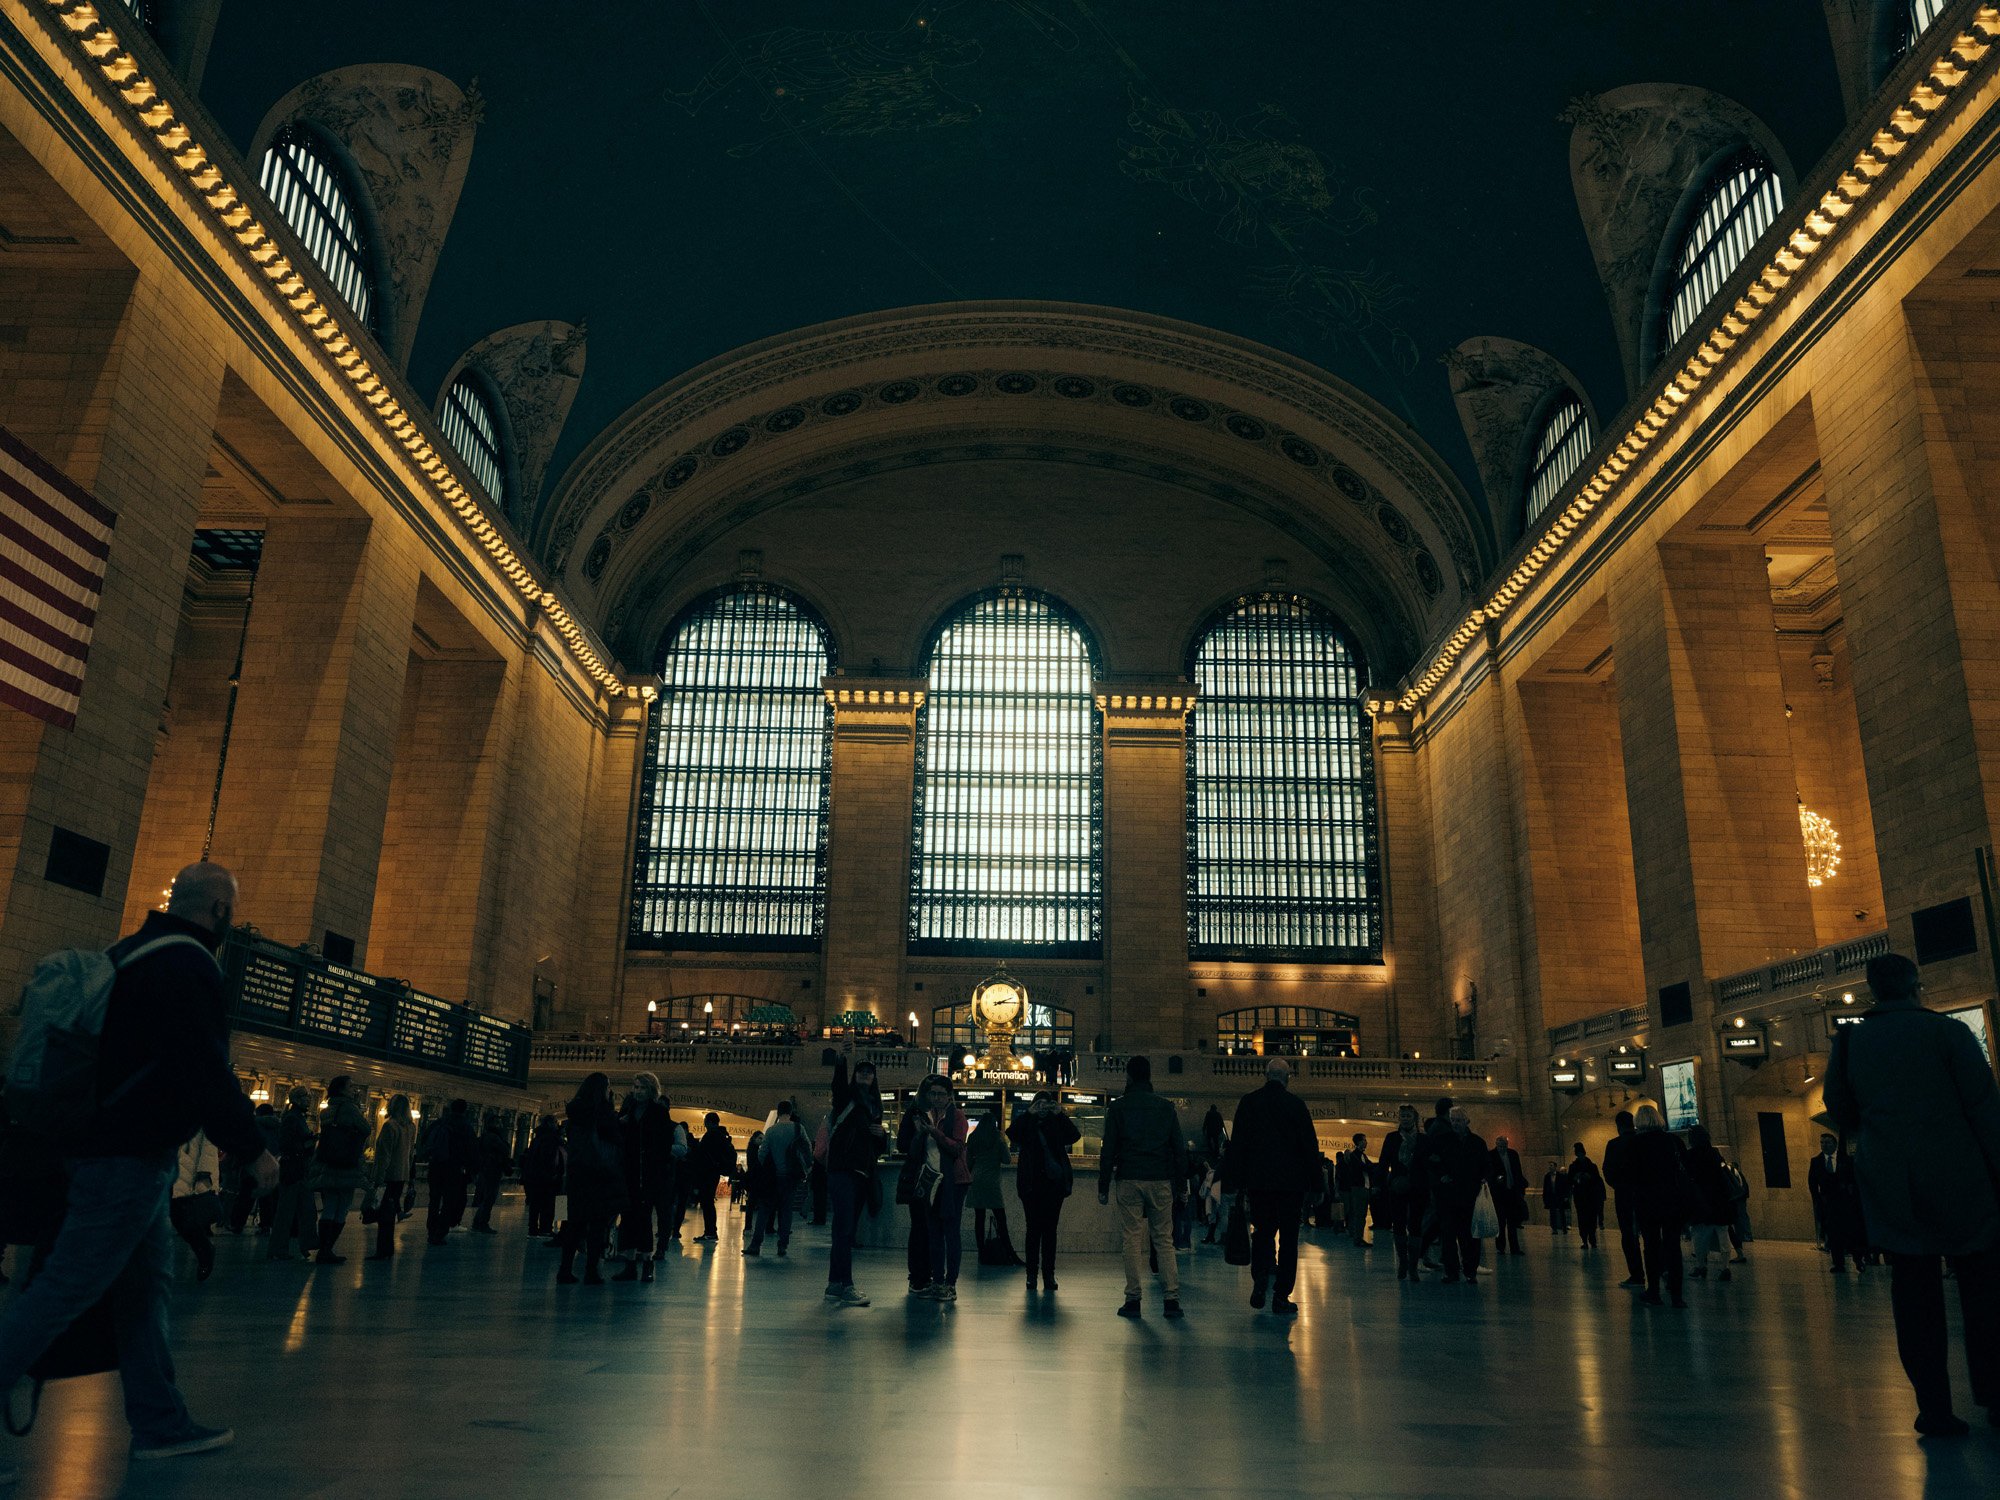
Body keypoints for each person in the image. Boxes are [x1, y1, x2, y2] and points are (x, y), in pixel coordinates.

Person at [0, 860, 277, 1464]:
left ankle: (160, 1421)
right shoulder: (188, 964)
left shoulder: (135, 949)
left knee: (144, 1290)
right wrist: (252, 1149)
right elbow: (203, 1068)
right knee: (64, 1288)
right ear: (220, 911)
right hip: (123, 1160)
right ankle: (159, 1421)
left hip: (123, 1155)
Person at [1823, 952, 2000, 1437]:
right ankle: (1995, 1393)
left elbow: (1839, 1107)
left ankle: (1935, 1408)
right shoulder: (1948, 1033)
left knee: (1915, 1295)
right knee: (1983, 1289)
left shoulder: (1852, 1040)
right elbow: (1984, 1107)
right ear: (1916, 985)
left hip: (1891, 1183)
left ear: (1872, 990)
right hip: (1960, 1176)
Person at [1222, 1057, 1317, 1315]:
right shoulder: (1296, 1105)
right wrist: (1317, 1185)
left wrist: (1234, 1182)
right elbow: (1310, 1147)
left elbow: (1238, 1145)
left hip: (1259, 1182)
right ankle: (1281, 1296)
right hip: (1290, 1185)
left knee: (1262, 1232)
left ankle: (1260, 1279)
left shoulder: (1249, 1102)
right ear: (1287, 1078)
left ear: (1265, 1075)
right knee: (1288, 1238)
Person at [1099, 1055, 1187, 1319]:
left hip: (1129, 1178)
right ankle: (1171, 1299)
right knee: (1164, 1240)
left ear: (1129, 1076)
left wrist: (1103, 1186)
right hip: (1160, 1179)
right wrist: (1181, 1185)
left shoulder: (1118, 1108)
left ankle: (1133, 1299)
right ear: (1149, 1076)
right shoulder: (1165, 1107)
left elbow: (1109, 1149)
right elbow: (1178, 1150)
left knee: (1132, 1239)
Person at [823, 1052, 887, 1309]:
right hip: (843, 1170)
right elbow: (838, 1085)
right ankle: (846, 1285)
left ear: (874, 1078)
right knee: (844, 1230)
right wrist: (842, 1058)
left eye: (869, 1072)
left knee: (844, 1230)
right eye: (861, 1071)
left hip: (862, 1173)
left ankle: (834, 1285)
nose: (865, 1075)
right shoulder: (846, 1098)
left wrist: (881, 1134)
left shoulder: (874, 1106)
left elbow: (877, 1148)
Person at [558, 1073, 625, 1285]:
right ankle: (591, 1270)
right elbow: (616, 1140)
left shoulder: (575, 1111)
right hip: (599, 1175)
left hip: (577, 1174)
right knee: (597, 1225)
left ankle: (565, 1269)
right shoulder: (603, 1113)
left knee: (573, 1223)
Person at [1009, 1091, 1080, 1292]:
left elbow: (1075, 1135)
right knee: (1033, 1229)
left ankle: (1048, 1274)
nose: (1042, 1108)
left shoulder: (1056, 1122)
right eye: (1038, 1104)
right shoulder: (1028, 1123)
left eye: (1045, 1104)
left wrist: (1060, 1114)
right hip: (1030, 1185)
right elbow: (1011, 1133)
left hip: (1053, 1186)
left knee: (1049, 1231)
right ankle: (1032, 1275)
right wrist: (1028, 1113)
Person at [909, 1077, 971, 1301]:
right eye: (932, 1093)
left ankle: (950, 1283)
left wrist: (934, 1133)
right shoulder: (926, 1116)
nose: (935, 1098)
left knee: (950, 1233)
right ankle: (937, 1281)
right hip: (930, 1179)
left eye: (940, 1094)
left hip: (953, 1181)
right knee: (933, 1233)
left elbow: (957, 1148)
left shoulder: (957, 1117)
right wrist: (920, 1133)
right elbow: (917, 1150)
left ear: (949, 1095)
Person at [1626, 1104, 1689, 1308]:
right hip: (1673, 1201)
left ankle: (1654, 1291)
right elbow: (1686, 1169)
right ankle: (1677, 1295)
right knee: (1673, 1247)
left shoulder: (1635, 1144)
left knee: (1651, 1247)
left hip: (1647, 1202)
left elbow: (1630, 1176)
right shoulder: (1673, 1141)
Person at [615, 1075, 674, 1275]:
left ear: (651, 1090)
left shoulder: (658, 1112)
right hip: (631, 1172)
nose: (638, 1091)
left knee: (644, 1217)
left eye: (642, 1088)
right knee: (629, 1217)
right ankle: (630, 1263)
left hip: (650, 1174)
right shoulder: (630, 1110)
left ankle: (647, 1260)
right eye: (635, 1087)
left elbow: (665, 1145)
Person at [308, 1076, 369, 1266]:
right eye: (350, 1086)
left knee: (330, 1204)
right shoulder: (350, 1108)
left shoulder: (328, 1110)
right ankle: (328, 1249)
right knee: (342, 1205)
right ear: (342, 1089)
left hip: (327, 1161)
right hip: (346, 1162)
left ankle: (323, 1248)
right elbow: (365, 1128)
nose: (353, 1089)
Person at [1424, 1106, 1489, 1285]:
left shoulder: (1477, 1143)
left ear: (1466, 1121)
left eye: (1458, 1120)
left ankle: (1470, 1270)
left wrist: (1482, 1179)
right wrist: (1441, 1175)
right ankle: (1451, 1271)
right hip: (1448, 1196)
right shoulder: (1443, 1140)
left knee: (1469, 1237)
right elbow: (1431, 1160)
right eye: (1453, 1120)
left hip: (1469, 1196)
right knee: (1448, 1236)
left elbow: (1485, 1165)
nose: (1455, 1124)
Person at [746, 1099, 809, 1258]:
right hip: (790, 1178)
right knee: (786, 1210)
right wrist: (806, 1167)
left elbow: (762, 1154)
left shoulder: (771, 1131)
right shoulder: (798, 1128)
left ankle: (755, 1244)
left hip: (773, 1177)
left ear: (778, 1112)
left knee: (764, 1210)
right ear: (791, 1112)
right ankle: (782, 1245)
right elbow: (807, 1149)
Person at [265, 1087, 318, 1261]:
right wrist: (307, 1144)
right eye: (305, 1097)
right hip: (294, 1168)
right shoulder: (292, 1118)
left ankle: (305, 1245)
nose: (308, 1100)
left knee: (304, 1208)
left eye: (308, 1096)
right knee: (287, 1211)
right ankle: (279, 1248)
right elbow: (287, 1143)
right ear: (295, 1099)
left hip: (298, 1167)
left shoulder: (296, 1117)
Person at [967, 1103, 1021, 1266]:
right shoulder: (998, 1138)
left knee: (979, 1218)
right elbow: (1007, 1160)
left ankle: (982, 1254)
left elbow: (968, 1161)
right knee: (1001, 1218)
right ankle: (1010, 1252)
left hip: (976, 1179)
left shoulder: (973, 1137)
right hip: (992, 1182)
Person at [1682, 1123, 1736, 1283]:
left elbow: (1688, 1177)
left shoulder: (1690, 1155)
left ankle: (1701, 1266)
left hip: (1701, 1201)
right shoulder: (1714, 1153)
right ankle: (1725, 1267)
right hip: (1720, 1200)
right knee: (1723, 1234)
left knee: (1699, 1236)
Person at [1379, 1105, 1427, 1280]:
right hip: (1397, 1186)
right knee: (1398, 1224)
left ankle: (1413, 1266)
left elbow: (1427, 1163)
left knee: (1415, 1226)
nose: (1405, 1119)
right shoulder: (1392, 1138)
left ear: (1414, 1118)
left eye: (1408, 1116)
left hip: (1418, 1187)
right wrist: (1381, 1184)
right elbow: (1384, 1161)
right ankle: (1403, 1262)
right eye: (1402, 1116)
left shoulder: (1423, 1139)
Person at [1808, 1133, 1868, 1273]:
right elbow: (1812, 1182)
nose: (1824, 1145)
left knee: (1852, 1232)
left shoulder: (1846, 1160)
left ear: (1834, 1144)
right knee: (1834, 1234)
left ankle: (1858, 1259)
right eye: (1822, 1142)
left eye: (1827, 1142)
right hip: (1828, 1204)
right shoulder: (1816, 1162)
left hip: (1846, 1202)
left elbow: (1855, 1179)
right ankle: (1839, 1263)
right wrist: (1817, 1200)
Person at [365, 1095, 416, 1261]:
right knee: (389, 1213)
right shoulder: (410, 1126)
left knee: (383, 1215)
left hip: (388, 1176)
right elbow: (410, 1154)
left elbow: (384, 1156)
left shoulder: (390, 1126)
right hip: (401, 1175)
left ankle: (383, 1250)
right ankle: (388, 1249)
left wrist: (378, 1178)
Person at [1601, 1110, 1646, 1288]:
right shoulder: (1643, 1142)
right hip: (1645, 1195)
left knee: (1628, 1236)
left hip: (1624, 1196)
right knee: (1651, 1235)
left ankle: (1637, 1274)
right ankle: (1659, 1269)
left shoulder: (1614, 1145)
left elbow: (1608, 1171)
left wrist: (1619, 1186)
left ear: (1618, 1126)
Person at [424, 1100, 477, 1247]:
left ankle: (431, 1230)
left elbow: (426, 1140)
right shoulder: (465, 1127)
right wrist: (471, 1170)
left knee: (434, 1200)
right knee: (449, 1202)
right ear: (465, 1110)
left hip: (435, 1167)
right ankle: (440, 1232)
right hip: (454, 1169)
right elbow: (471, 1150)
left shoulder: (439, 1123)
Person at [168, 1132, 219, 1283]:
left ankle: (204, 1250)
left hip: (188, 1164)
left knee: (181, 1216)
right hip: (167, 1160)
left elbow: (209, 1141)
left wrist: (205, 1170)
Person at [518, 1114, 564, 1241]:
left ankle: (533, 1228)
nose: (557, 1124)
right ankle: (545, 1229)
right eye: (555, 1122)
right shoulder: (552, 1139)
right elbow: (551, 1159)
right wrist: (554, 1174)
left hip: (534, 1176)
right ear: (550, 1124)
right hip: (548, 1178)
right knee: (548, 1204)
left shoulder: (537, 1138)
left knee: (535, 1204)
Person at [693, 1113, 733, 1243]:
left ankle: (710, 1232)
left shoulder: (711, 1135)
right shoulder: (721, 1135)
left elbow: (701, 1154)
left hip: (708, 1173)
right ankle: (710, 1231)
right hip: (715, 1172)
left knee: (707, 1202)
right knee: (708, 1201)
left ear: (709, 1122)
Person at [468, 1117, 511, 1234]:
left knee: (485, 1198)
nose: (501, 1124)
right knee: (489, 1198)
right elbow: (505, 1150)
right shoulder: (495, 1138)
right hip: (492, 1170)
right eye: (499, 1122)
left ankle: (478, 1222)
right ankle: (482, 1223)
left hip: (484, 1169)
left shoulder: (483, 1137)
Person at [1486, 1133, 1527, 1255]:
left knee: (1512, 1222)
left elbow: (1518, 1172)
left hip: (1512, 1192)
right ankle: (1500, 1247)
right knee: (1500, 1222)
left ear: (1507, 1145)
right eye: (1500, 1146)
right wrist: (1495, 1180)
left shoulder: (1513, 1154)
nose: (1502, 1149)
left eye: (1503, 1146)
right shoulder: (1491, 1155)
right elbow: (1489, 1173)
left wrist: (1520, 1189)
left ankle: (1514, 1248)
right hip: (1499, 1194)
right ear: (1496, 1145)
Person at [1336, 1133, 1373, 1247]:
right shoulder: (1356, 1155)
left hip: (1363, 1187)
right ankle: (1357, 1238)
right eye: (1364, 1140)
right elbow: (1364, 1167)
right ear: (1359, 1142)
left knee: (1360, 1213)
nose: (1366, 1142)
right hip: (1359, 1188)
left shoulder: (1361, 1155)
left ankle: (1358, 1237)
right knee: (1359, 1213)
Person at [1567, 1144, 1605, 1250]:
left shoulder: (1576, 1167)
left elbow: (1597, 1180)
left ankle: (1588, 1239)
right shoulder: (1591, 1166)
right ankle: (1588, 1239)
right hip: (1586, 1196)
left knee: (1586, 1219)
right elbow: (1569, 1181)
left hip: (1585, 1196)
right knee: (1586, 1219)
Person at [1542, 1159, 1571, 1236]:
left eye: (1551, 1166)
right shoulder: (1547, 1176)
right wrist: (1545, 1198)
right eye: (1549, 1166)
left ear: (1555, 1167)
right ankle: (1554, 1228)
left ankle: (1564, 1228)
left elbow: (1565, 1186)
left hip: (1559, 1196)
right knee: (1552, 1213)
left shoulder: (1560, 1176)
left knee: (1562, 1213)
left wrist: (1565, 1196)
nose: (1550, 1167)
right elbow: (1545, 1188)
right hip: (1551, 1197)